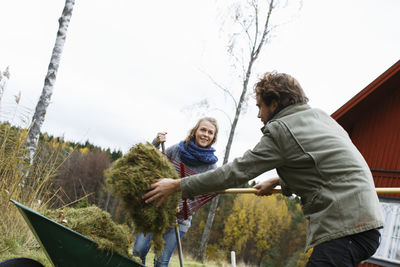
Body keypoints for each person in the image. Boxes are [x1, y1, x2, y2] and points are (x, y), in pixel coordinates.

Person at [143, 72, 384, 266]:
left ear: (274, 103)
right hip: (364, 220)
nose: (258, 115)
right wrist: (280, 180)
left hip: (346, 227)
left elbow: (235, 171)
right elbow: (320, 165)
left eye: (260, 106)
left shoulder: (281, 129)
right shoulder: (320, 118)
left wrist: (177, 185)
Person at [133, 117, 219, 267]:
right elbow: (154, 161)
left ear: (213, 138)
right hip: (155, 210)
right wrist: (156, 142)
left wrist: (180, 206)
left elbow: (203, 196)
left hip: (179, 220)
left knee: (161, 262)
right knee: (138, 251)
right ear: (195, 131)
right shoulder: (177, 150)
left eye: (210, 132)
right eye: (203, 130)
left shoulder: (211, 167)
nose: (206, 134)